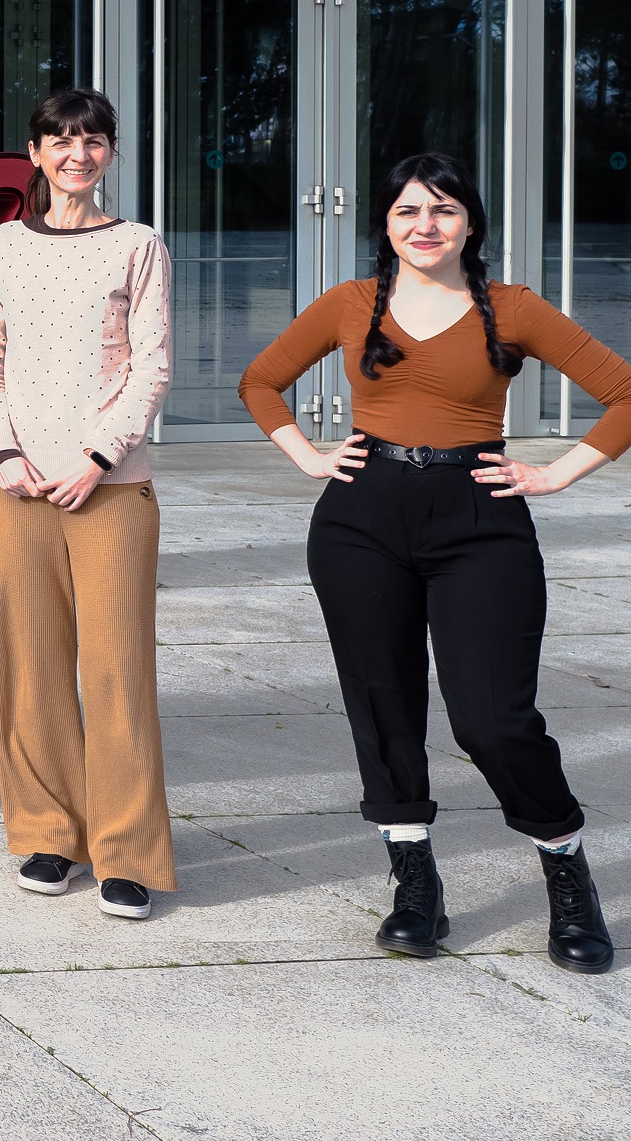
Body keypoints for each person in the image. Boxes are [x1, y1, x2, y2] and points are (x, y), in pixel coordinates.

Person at [239, 151, 623, 974]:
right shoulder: (350, 304)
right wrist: (306, 456)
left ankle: (565, 868)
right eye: (410, 210)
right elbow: (261, 381)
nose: (426, 225)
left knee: (493, 719)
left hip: (481, 521)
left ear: (470, 224)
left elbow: (624, 392)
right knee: (383, 703)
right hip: (360, 519)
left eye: (443, 210)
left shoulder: (512, 308)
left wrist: (555, 471)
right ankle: (414, 880)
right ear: (385, 222)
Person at [0, 88, 175, 921]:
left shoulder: (138, 245)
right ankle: (49, 833)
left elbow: (152, 365)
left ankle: (126, 853)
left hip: (110, 489)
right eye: (60, 140)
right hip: (16, 487)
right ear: (35, 153)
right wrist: (5, 454)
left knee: (118, 670)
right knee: (31, 665)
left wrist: (98, 457)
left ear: (111, 155)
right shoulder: (4, 246)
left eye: (92, 141)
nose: (76, 154)